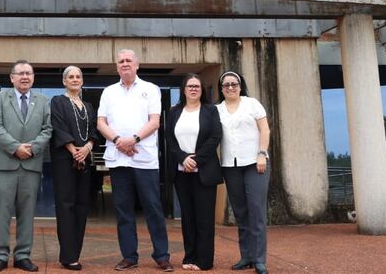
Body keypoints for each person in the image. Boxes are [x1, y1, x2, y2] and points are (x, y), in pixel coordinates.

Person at [97, 49, 173, 272]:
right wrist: (119, 140)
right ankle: (129, 256)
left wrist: (134, 139)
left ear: (137, 65)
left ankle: (162, 256)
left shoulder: (151, 89)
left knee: (153, 209)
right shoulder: (109, 92)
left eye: (129, 60)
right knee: (123, 210)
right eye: (120, 61)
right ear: (117, 66)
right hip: (119, 159)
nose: (125, 64)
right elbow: (101, 123)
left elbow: (155, 122)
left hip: (144, 159)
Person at [0, 60, 52, 273]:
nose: (25, 77)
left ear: (33, 77)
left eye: (28, 73)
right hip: (4, 165)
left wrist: (32, 148)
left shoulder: (43, 100)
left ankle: (23, 255)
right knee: (2, 213)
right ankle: (0, 256)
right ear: (12, 77)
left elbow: (47, 129)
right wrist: (15, 147)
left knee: (27, 213)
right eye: (20, 73)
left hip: (31, 165)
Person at [165, 74, 223, 271]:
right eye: (190, 86)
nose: (193, 89)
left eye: (197, 86)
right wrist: (183, 158)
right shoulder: (174, 112)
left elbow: (215, 137)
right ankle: (190, 257)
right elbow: (170, 140)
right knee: (188, 218)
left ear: (201, 90)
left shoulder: (210, 110)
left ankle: (204, 260)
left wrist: (196, 159)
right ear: (183, 90)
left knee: (204, 218)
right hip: (181, 171)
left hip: (204, 170)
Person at [216, 71, 271, 274]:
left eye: (234, 83)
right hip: (230, 166)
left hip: (255, 163)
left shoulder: (252, 103)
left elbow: (264, 130)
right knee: (240, 212)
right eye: (226, 84)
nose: (230, 87)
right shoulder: (217, 110)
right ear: (221, 88)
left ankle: (259, 259)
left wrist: (262, 154)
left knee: (256, 210)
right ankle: (246, 256)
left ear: (240, 85)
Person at [50, 66, 98, 271]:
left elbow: (94, 130)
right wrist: (73, 149)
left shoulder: (88, 105)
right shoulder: (58, 102)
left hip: (84, 160)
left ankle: (75, 254)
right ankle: (67, 256)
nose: (75, 79)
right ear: (64, 81)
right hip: (64, 160)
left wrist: (87, 148)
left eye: (78, 76)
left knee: (81, 206)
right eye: (71, 77)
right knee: (66, 206)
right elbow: (57, 127)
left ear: (82, 81)